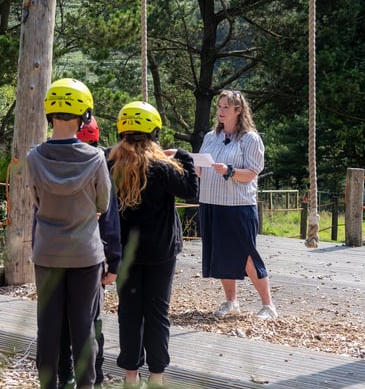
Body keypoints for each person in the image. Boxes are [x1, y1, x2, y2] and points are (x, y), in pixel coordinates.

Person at [26, 78, 112, 389]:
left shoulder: (34, 157)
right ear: (85, 115)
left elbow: (36, 201)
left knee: (48, 327)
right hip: (85, 253)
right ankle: (86, 385)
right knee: (83, 326)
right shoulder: (95, 157)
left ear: (49, 111)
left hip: (47, 251)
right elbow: (103, 202)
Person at [108, 101, 198, 388]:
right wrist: (183, 155)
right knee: (158, 313)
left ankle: (130, 377)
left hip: (125, 251)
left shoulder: (110, 164)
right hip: (160, 251)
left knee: (129, 311)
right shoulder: (163, 166)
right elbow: (190, 191)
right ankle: (157, 377)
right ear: (154, 132)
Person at [197, 90, 277, 321]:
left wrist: (230, 171)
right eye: (219, 107)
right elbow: (203, 170)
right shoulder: (210, 137)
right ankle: (231, 301)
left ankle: (268, 305)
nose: (221, 111)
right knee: (221, 254)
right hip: (211, 202)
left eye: (226, 107)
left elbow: (251, 173)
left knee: (246, 255)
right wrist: (195, 165)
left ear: (238, 110)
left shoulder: (250, 139)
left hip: (237, 205)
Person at [57, 116, 121, 389]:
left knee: (60, 321)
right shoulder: (99, 170)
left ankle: (65, 377)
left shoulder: (51, 165)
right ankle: (94, 373)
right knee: (92, 318)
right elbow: (109, 221)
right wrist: (115, 261)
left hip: (55, 254)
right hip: (89, 256)